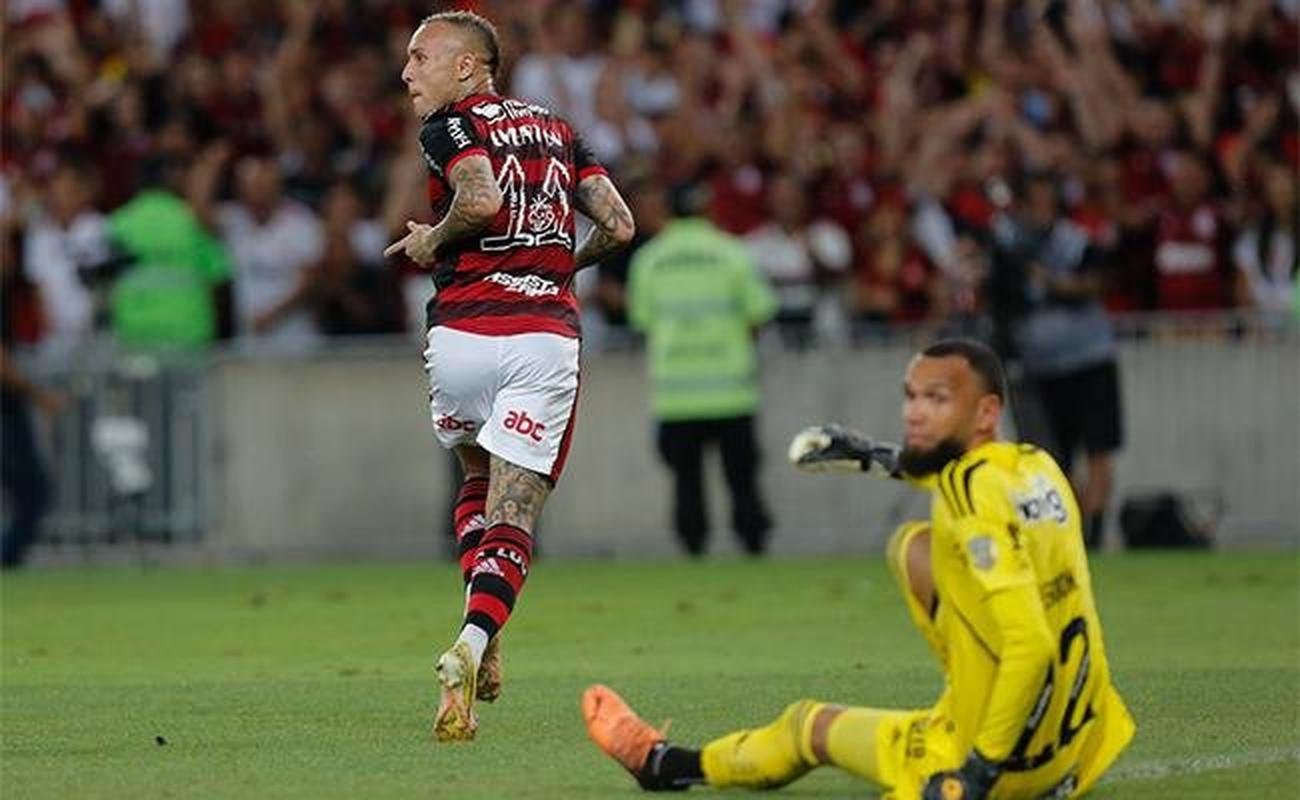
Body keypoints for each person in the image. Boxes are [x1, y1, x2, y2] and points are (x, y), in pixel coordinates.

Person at [583, 338, 1135, 799]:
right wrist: (869, 454)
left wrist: (978, 771)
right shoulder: (1036, 468)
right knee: (914, 545)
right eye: (911, 396)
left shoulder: (969, 496)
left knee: (807, 726)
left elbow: (1030, 647)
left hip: (997, 763)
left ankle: (665, 765)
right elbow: (947, 472)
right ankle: (665, 765)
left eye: (937, 399)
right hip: (1080, 749)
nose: (915, 411)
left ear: (986, 412)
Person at [384, 11, 634, 742]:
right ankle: (472, 640)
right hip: (541, 338)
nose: (407, 74)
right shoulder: (560, 131)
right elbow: (619, 226)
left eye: (419, 58)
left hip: (461, 334)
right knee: (515, 513)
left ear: (468, 68)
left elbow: (479, 196)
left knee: (473, 479)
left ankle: (482, 634)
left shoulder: (452, 125)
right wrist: (557, 266)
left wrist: (432, 237)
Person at [626, 184, 777, 556]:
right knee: (742, 478)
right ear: (707, 210)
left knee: (686, 480)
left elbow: (642, 320)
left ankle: (693, 546)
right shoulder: (732, 253)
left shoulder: (649, 259)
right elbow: (758, 313)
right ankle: (752, 541)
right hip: (731, 389)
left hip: (676, 394)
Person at [990, 173, 1122, 549]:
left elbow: (1104, 276)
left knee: (1098, 449)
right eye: (1035, 203)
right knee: (1054, 458)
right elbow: (1001, 300)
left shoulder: (1074, 241)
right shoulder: (1008, 245)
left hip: (1090, 356)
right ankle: (1074, 531)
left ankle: (1094, 532)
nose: (1042, 211)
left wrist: (1058, 285)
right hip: (1042, 365)